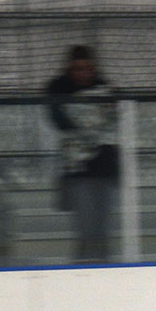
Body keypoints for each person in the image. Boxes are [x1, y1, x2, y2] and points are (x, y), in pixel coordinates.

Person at [46, 45, 121, 264]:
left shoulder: (106, 90)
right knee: (86, 229)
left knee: (103, 229)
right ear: (70, 69)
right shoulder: (58, 91)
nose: (83, 72)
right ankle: (83, 268)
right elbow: (60, 121)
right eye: (78, 68)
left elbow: (112, 119)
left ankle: (105, 269)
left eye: (87, 68)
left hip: (104, 168)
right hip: (78, 171)